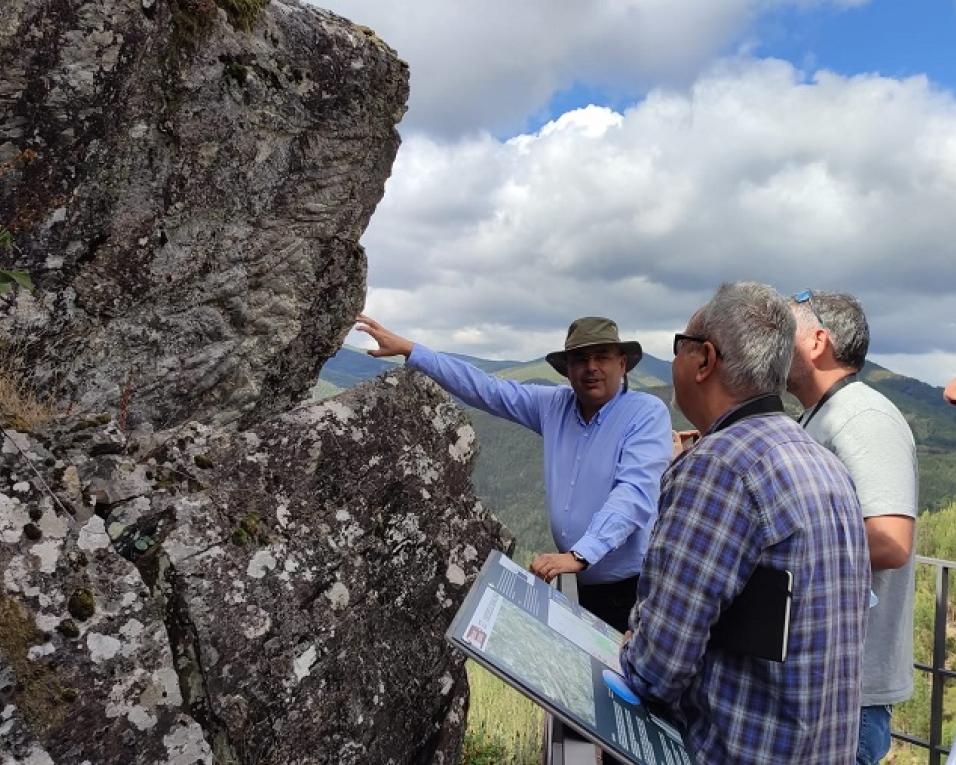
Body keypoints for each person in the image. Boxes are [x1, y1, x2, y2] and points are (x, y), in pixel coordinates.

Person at [620, 282, 870, 764]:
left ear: (704, 359)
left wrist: (633, 645)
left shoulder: (719, 467)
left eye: (678, 346)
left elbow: (659, 667)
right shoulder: (821, 461)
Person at [356, 313, 672, 632]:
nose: (591, 367)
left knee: (623, 678)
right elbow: (487, 390)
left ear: (622, 364)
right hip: (578, 583)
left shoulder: (645, 413)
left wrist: (580, 554)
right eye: (580, 358)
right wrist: (412, 350)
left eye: (602, 357)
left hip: (633, 591)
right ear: (568, 369)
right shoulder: (554, 406)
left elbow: (634, 493)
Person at [786, 289, 918, 765]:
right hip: (825, 684)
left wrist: (776, 541)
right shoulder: (823, 416)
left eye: (786, 329)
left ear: (817, 341)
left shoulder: (862, 416)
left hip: (847, 696)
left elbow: (890, 541)